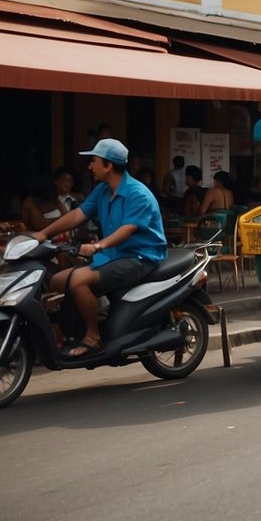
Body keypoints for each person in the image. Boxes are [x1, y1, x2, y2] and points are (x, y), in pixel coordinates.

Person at [31, 138, 167, 360]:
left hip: (139, 257)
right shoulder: (103, 190)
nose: (89, 166)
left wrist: (98, 245)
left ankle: (93, 338)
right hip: (113, 255)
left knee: (78, 281)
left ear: (108, 165)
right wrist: (44, 234)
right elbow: (78, 214)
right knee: (56, 281)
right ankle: (72, 332)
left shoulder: (138, 194)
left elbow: (128, 228)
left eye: (93, 161)